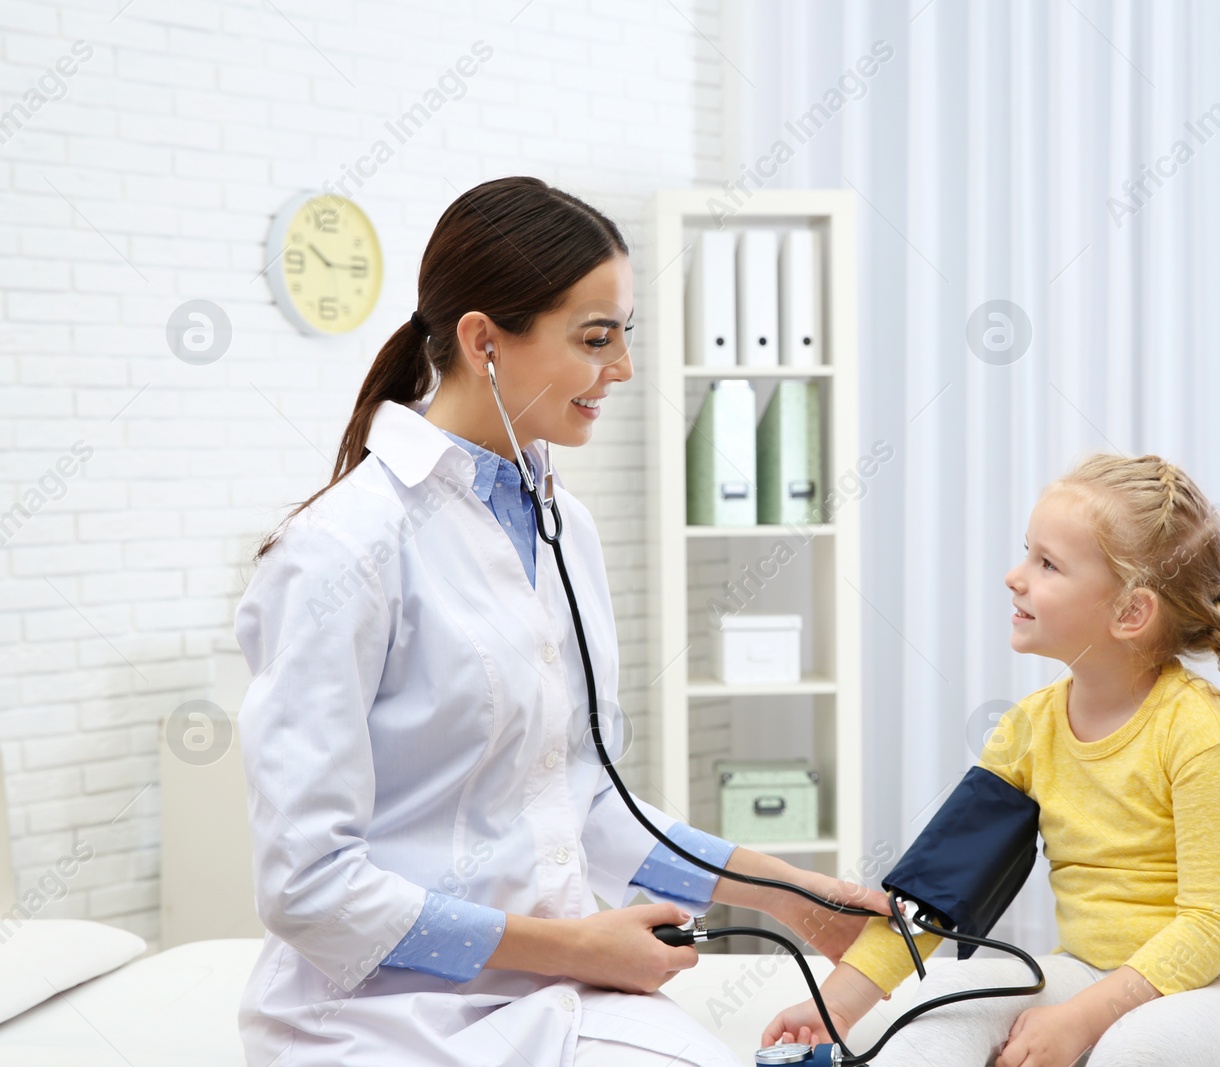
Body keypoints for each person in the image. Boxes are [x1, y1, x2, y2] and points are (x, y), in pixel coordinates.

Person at [235, 176, 886, 1067]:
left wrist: (794, 896)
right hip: (379, 1013)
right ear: (483, 341)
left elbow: (579, 799)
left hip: (545, 988)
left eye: (625, 336)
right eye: (595, 339)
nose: (621, 369)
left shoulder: (560, 523)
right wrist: (580, 948)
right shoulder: (341, 549)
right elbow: (307, 888)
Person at [763, 454, 1220, 1066]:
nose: (1015, 577)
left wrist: (1076, 1022)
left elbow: (1211, 927)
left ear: (1130, 613)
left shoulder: (1202, 736)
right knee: (931, 1018)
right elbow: (935, 894)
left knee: (1135, 1050)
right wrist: (834, 1008)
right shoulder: (1028, 729)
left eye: (1048, 564)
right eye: (1027, 553)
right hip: (1091, 973)